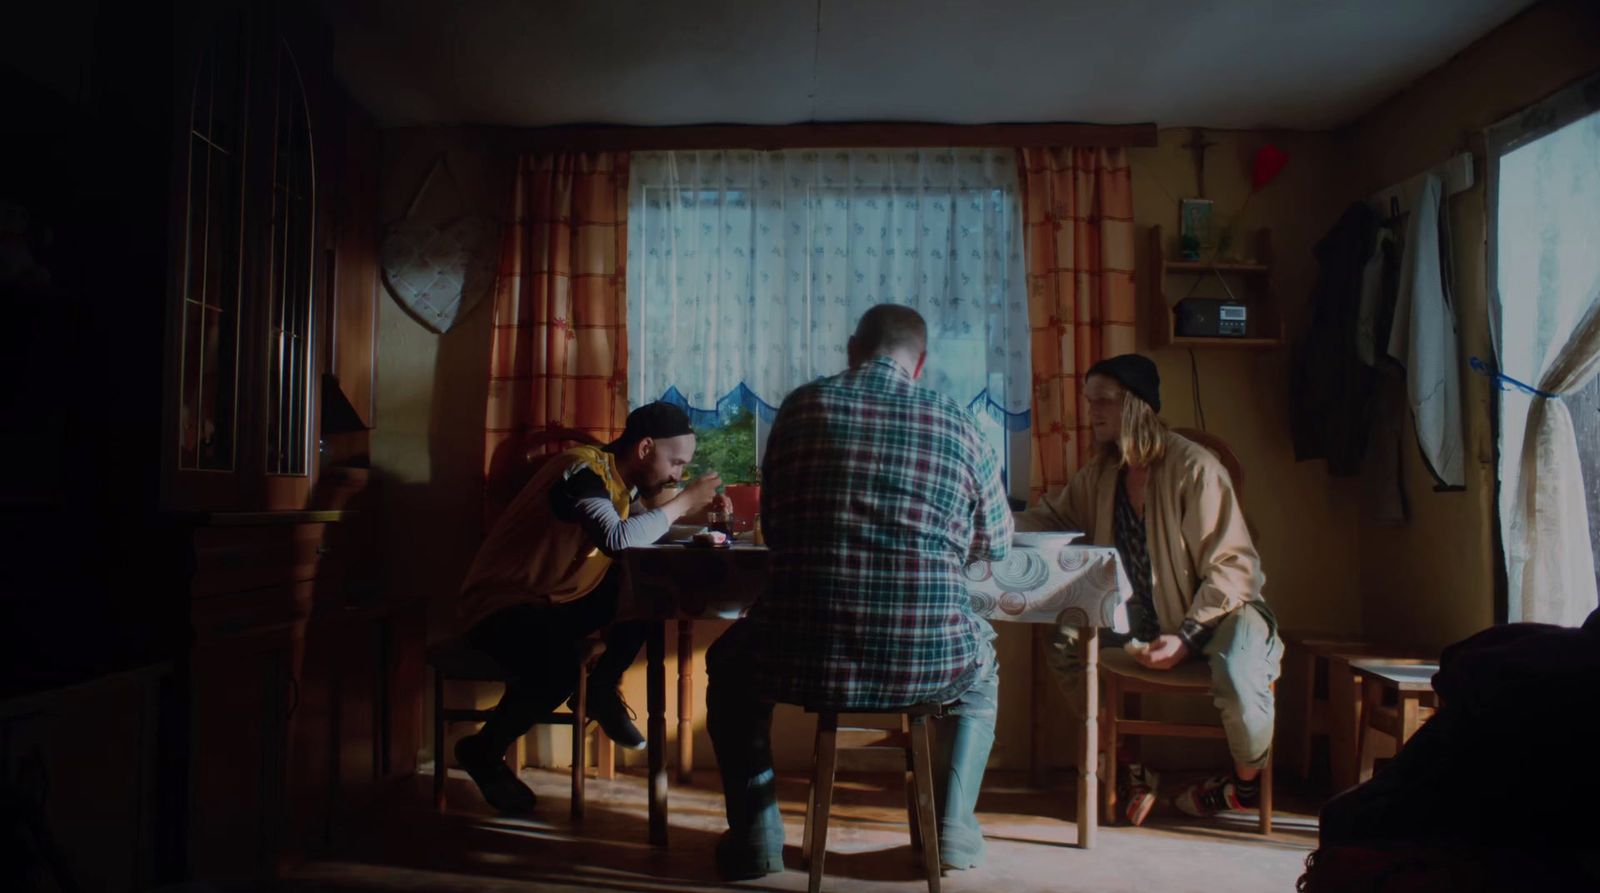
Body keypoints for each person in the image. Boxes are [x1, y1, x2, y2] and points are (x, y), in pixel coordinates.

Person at [705, 304, 1014, 880]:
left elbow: (777, 525)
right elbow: (995, 543)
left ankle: (755, 837)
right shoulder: (957, 421)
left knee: (729, 665)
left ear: (853, 349)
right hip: (926, 661)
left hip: (801, 654)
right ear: (919, 364)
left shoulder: (801, 408)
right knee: (980, 668)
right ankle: (948, 832)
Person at [1016, 354, 1282, 824]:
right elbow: (1053, 518)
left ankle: (1243, 786)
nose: (1092, 411)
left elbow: (1234, 568)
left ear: (1137, 405)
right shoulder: (1102, 473)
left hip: (1222, 612)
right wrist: (991, 523)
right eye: (1089, 400)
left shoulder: (1195, 469)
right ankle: (1125, 765)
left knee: (1238, 670)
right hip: (1144, 614)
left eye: (1104, 401)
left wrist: (1187, 637)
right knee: (1064, 637)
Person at [453, 402, 727, 814]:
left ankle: (601, 688)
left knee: (644, 584)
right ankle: (483, 751)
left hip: (550, 604)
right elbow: (616, 539)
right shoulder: (581, 470)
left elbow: (640, 534)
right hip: (500, 606)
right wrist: (684, 501)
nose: (677, 475)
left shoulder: (620, 487)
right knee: (561, 666)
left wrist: (704, 520)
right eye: (675, 463)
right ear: (645, 448)